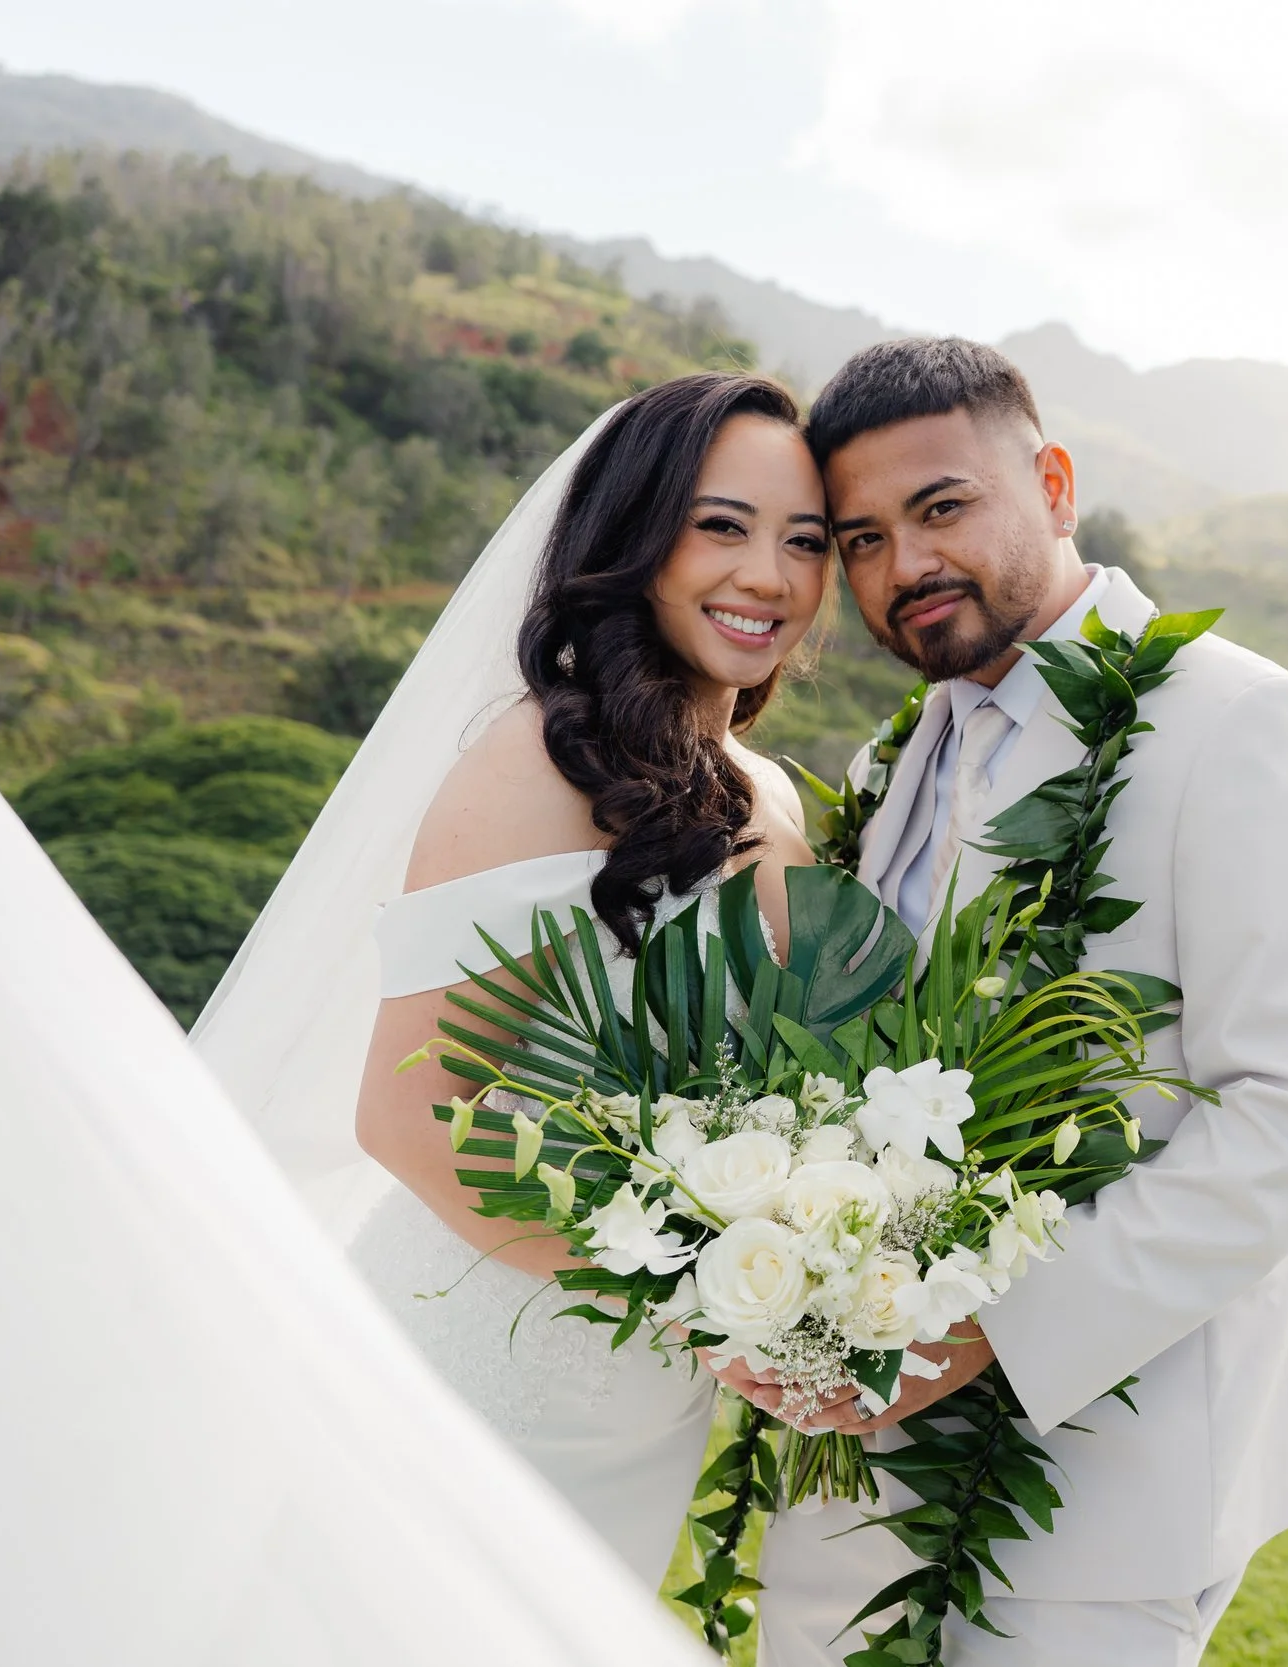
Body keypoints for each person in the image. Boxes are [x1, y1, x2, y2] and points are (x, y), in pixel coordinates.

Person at [743, 338, 1288, 1665]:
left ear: (1052, 482)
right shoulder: (892, 757)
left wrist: (997, 1320)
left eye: (941, 508)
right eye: (860, 538)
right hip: (861, 1446)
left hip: (1111, 1459)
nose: (903, 567)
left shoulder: (1238, 720)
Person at [341, 370, 830, 1579]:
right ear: (636, 536)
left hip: (649, 1397)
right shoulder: (538, 760)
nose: (768, 575)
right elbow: (408, 1113)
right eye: (722, 525)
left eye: (805, 539)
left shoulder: (774, 793)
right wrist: (694, 1285)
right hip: (486, 1369)